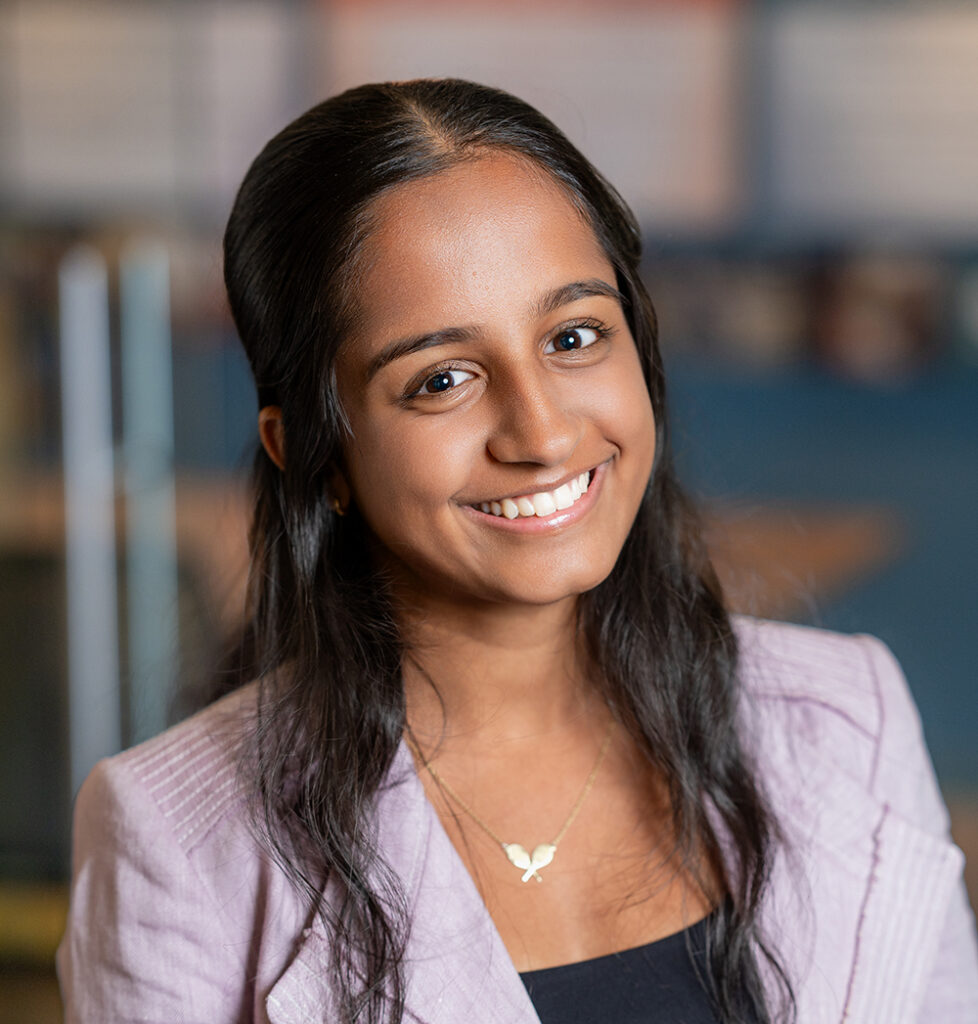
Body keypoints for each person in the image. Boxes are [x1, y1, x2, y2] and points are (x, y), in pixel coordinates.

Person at [57, 78, 978, 1024]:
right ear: (312, 452)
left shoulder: (849, 721)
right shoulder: (174, 836)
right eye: (442, 379)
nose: (539, 431)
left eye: (574, 335)